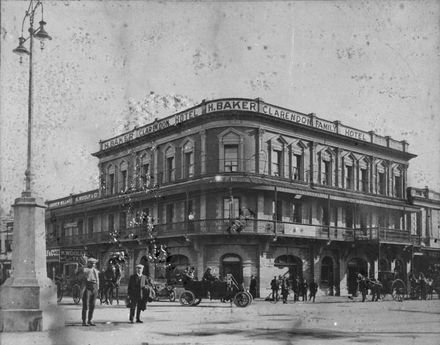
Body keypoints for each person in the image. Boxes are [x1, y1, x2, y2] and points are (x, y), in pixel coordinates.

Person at [80, 257, 100, 326]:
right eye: (91, 263)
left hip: (94, 288)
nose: (93, 264)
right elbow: (82, 273)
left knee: (93, 305)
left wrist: (98, 288)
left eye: (94, 263)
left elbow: (98, 280)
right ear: (88, 263)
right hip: (87, 287)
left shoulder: (96, 271)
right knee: (86, 305)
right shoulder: (86, 270)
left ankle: (90, 320)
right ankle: (84, 321)